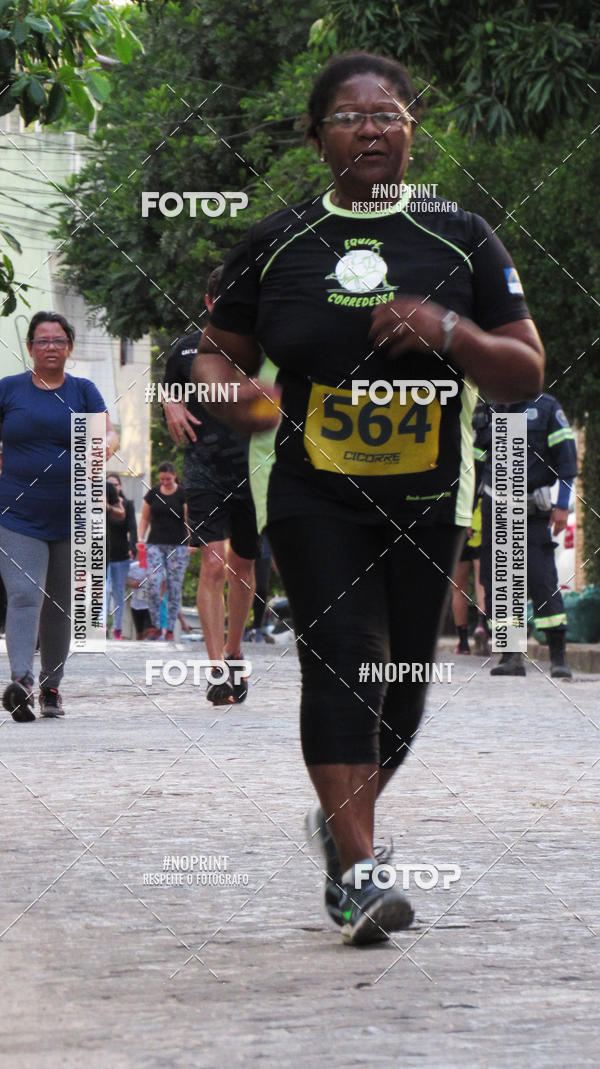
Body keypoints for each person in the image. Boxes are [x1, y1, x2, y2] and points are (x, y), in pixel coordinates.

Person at [191, 52, 545, 945]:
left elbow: (524, 372)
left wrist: (449, 328)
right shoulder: (275, 243)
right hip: (311, 490)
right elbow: (212, 351)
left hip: (429, 496)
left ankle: (339, 821)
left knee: (404, 689)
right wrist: (228, 393)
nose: (374, 128)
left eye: (390, 113)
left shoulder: (462, 236)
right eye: (352, 117)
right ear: (317, 138)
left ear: (412, 130)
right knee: (344, 659)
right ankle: (358, 869)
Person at [0, 311, 118, 720]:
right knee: (24, 594)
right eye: (42, 340)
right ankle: (21, 681)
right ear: (30, 347)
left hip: (75, 513)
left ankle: (51, 686)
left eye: (57, 340)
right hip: (17, 513)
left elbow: (108, 431)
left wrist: (104, 447)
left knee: (62, 605)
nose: (50, 347)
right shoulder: (9, 390)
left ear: (69, 347)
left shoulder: (84, 390)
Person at [162, 267, 260, 703]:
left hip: (253, 470)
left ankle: (235, 651)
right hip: (203, 469)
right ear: (208, 303)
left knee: (243, 567)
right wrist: (168, 403)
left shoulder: (265, 346)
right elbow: (169, 396)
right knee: (214, 564)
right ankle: (216, 667)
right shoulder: (185, 350)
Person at [478, 394, 577, 677]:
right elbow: (476, 458)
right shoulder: (488, 409)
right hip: (494, 508)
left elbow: (566, 460)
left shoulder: (546, 407)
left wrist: (562, 506)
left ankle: (558, 657)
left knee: (540, 576)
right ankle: (511, 656)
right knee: (500, 580)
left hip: (533, 510)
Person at [137, 462, 189, 641]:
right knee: (153, 582)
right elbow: (144, 518)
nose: (164, 482)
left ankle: (170, 629)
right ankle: (156, 625)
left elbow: (189, 519)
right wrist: (140, 539)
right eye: (161, 479)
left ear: (175, 476)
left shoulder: (183, 494)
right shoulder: (153, 494)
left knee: (174, 587)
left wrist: (192, 541)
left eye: (168, 478)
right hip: (155, 544)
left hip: (178, 546)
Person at [106, 474, 137, 639]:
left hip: (121, 555)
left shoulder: (127, 505)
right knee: (102, 591)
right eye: (109, 484)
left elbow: (133, 527)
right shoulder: (99, 503)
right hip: (102, 555)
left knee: (118, 592)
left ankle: (117, 628)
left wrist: (133, 547)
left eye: (115, 485)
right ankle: (100, 627)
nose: (113, 488)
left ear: (120, 486)